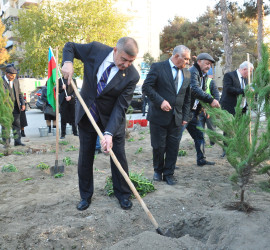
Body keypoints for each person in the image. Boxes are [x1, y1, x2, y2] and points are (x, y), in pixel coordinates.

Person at [61, 37, 140, 211]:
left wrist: (109, 133)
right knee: (85, 157)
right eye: (123, 59)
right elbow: (70, 47)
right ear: (115, 50)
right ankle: (85, 196)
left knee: (118, 157)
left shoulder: (132, 76)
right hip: (88, 114)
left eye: (131, 61)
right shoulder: (96, 50)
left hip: (112, 119)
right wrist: (68, 62)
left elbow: (120, 107)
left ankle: (123, 194)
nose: (126, 64)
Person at [142, 45, 191, 185]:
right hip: (158, 116)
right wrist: (160, 101)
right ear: (176, 56)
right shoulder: (158, 67)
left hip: (177, 117)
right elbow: (147, 87)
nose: (187, 62)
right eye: (185, 59)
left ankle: (169, 174)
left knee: (173, 146)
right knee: (158, 146)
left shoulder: (187, 73)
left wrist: (185, 116)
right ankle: (158, 171)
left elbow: (187, 97)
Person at [184, 53, 220, 166]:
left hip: (195, 112)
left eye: (210, 65)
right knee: (175, 138)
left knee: (199, 135)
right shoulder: (192, 71)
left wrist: (204, 106)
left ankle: (201, 159)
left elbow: (200, 94)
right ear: (199, 61)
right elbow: (194, 89)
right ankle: (169, 164)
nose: (209, 66)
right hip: (184, 112)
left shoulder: (203, 75)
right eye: (207, 63)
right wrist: (211, 100)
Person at [219, 61, 253, 157]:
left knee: (239, 127)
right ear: (244, 69)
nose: (250, 74)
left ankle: (237, 148)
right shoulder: (229, 76)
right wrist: (244, 91)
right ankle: (226, 149)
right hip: (229, 106)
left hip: (242, 107)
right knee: (228, 128)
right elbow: (228, 89)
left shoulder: (247, 79)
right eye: (250, 71)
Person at [1, 65, 25, 147]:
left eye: (14, 76)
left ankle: (17, 141)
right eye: (11, 75)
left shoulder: (16, 81)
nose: (13, 77)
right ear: (6, 74)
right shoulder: (1, 81)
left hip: (15, 106)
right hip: (5, 108)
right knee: (6, 125)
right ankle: (6, 143)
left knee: (17, 124)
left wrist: (23, 103)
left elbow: (19, 93)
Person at [200, 67, 220, 146]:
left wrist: (211, 109)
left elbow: (216, 97)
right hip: (199, 110)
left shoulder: (211, 82)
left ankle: (213, 143)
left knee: (211, 127)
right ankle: (201, 143)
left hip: (210, 110)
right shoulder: (195, 82)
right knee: (200, 128)